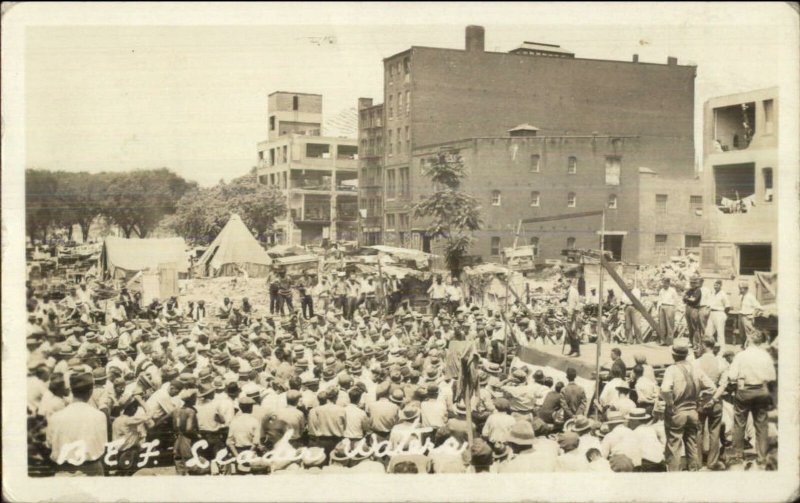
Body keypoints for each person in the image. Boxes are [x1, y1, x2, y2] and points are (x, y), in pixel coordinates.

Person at [720, 329, 776, 469]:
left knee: (739, 423)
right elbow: (771, 377)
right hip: (761, 390)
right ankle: (762, 457)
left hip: (745, 390)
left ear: (749, 340)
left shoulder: (741, 355)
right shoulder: (765, 356)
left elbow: (732, 376)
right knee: (761, 425)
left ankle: (738, 456)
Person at [660, 339, 718, 471]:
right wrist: (701, 400)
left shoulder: (672, 370)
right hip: (693, 411)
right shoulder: (696, 369)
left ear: (673, 355)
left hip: (677, 411)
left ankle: (673, 475)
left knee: (674, 445)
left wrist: (670, 403)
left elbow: (665, 389)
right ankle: (694, 473)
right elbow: (712, 388)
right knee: (692, 444)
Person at [46, 372, 108, 476]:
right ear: (90, 391)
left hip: (63, 472)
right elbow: (102, 447)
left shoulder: (55, 417)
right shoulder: (99, 416)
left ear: (71, 391)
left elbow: (49, 445)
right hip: (91, 471)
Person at [735, 282, 762, 348]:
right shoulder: (742, 296)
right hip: (741, 315)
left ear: (746, 289)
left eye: (742, 289)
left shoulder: (750, 296)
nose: (740, 290)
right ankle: (744, 346)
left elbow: (758, 307)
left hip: (747, 316)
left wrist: (753, 316)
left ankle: (750, 347)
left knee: (749, 333)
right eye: (740, 288)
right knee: (742, 333)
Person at [704, 280, 730, 347]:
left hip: (720, 313)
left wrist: (724, 315)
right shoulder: (713, 293)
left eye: (717, 285)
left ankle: (721, 348)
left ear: (721, 285)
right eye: (714, 285)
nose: (715, 286)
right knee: (708, 332)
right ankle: (709, 347)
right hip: (712, 313)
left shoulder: (723, 294)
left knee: (720, 332)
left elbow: (727, 306)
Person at [656, 278, 680, 346]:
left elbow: (676, 300)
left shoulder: (672, 290)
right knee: (662, 325)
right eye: (663, 283)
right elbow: (659, 300)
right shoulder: (661, 290)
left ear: (668, 283)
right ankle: (663, 341)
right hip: (662, 306)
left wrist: (674, 309)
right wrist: (658, 308)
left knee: (669, 325)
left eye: (665, 283)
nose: (664, 285)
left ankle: (669, 341)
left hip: (670, 307)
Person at [683, 276, 704, 346]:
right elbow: (683, 298)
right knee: (689, 326)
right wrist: (688, 298)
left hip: (694, 308)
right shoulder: (689, 290)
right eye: (691, 283)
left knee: (695, 326)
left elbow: (694, 300)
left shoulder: (698, 290)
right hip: (688, 308)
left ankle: (696, 343)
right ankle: (691, 342)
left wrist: (688, 298)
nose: (692, 284)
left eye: (694, 283)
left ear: (696, 283)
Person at [565, 279, 582, 357]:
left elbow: (572, 306)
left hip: (573, 315)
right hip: (571, 314)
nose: (563, 285)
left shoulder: (572, 292)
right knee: (570, 333)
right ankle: (572, 349)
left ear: (569, 283)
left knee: (573, 332)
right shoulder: (569, 291)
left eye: (564, 283)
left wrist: (569, 318)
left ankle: (576, 351)